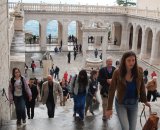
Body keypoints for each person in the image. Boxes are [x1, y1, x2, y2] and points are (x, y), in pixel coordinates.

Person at [106, 51, 150, 130]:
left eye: (133, 60)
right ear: (124, 61)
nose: (131, 63)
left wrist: (145, 100)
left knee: (132, 128)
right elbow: (112, 90)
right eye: (129, 60)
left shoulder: (139, 70)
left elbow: (142, 87)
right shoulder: (117, 72)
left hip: (134, 104)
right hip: (121, 104)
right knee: (126, 128)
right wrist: (109, 108)